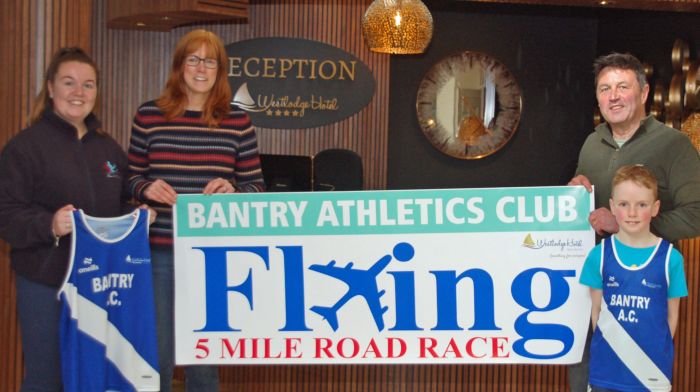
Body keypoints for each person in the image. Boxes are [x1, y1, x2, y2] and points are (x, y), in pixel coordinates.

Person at [127, 29, 266, 392]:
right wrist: (145, 188)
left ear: (220, 70)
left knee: (203, 362)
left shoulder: (238, 121)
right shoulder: (149, 115)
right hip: (157, 254)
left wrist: (233, 191)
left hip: (212, 258)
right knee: (156, 356)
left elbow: (256, 189)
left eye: (210, 61)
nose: (201, 67)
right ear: (179, 66)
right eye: (193, 58)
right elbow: (129, 180)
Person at [0, 47, 134, 391]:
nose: (79, 92)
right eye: (69, 83)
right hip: (46, 284)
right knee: (47, 379)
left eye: (88, 85)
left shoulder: (109, 150)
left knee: (96, 376)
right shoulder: (24, 147)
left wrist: (138, 217)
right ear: (50, 88)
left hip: (100, 285)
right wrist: (50, 224)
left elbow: (121, 205)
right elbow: (7, 216)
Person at [568, 52, 700, 391]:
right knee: (588, 378)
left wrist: (628, 225)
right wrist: (572, 193)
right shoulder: (590, 142)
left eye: (622, 87)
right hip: (592, 286)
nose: (613, 96)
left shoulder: (675, 145)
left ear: (643, 93)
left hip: (643, 293)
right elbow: (591, 213)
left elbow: (696, 213)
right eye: (604, 88)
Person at [579, 164, 687, 391]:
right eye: (624, 204)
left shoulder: (671, 259)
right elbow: (596, 314)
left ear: (655, 208)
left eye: (642, 205)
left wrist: (648, 356)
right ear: (612, 206)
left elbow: (672, 319)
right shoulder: (598, 256)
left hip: (651, 373)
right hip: (606, 373)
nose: (632, 213)